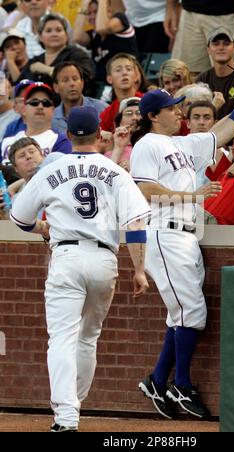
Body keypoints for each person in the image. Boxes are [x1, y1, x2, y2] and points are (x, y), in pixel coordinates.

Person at [10, 105, 151, 432]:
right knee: (88, 338)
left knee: (61, 338)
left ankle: (67, 416)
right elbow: (136, 223)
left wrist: (43, 228)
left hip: (68, 256)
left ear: (69, 135)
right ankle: (76, 404)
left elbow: (20, 218)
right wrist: (140, 269)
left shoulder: (50, 169)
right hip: (105, 258)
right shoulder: (115, 170)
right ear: (99, 136)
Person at [130, 87, 234, 418]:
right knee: (192, 312)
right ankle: (181, 385)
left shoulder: (183, 143)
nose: (178, 112)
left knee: (182, 314)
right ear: (153, 116)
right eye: (171, 108)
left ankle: (159, 380)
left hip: (186, 235)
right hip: (165, 232)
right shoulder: (147, 144)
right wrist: (190, 196)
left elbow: (220, 132)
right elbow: (144, 189)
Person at [164, 0, 234, 76]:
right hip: (189, 15)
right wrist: (171, 7)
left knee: (233, 75)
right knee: (186, 74)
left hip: (231, 13)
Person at [197, 27, 234, 120]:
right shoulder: (202, 79)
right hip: (212, 132)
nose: (221, 48)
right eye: (216, 44)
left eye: (226, 44)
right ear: (208, 49)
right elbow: (198, 115)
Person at [52, 62, 107, 134]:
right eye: (65, 80)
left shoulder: (102, 109)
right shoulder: (51, 119)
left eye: (75, 79)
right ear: (56, 87)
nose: (72, 84)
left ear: (82, 83)